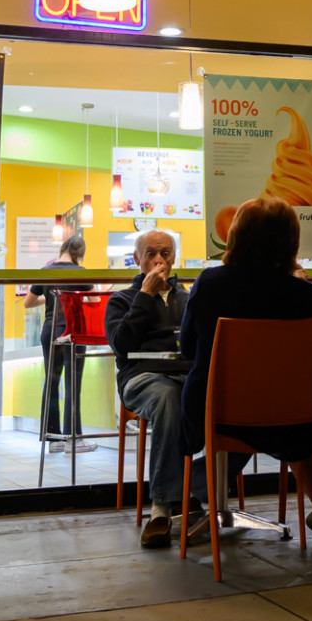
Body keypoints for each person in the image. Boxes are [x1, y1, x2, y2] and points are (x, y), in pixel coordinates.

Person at [179, 195, 312, 553]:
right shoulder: (305, 296)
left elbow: (188, 349)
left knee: (284, 402)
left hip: (220, 416)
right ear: (290, 242)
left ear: (235, 236)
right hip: (293, 418)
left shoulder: (209, 283)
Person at [105, 230, 191, 548]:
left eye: (165, 253)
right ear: (137, 259)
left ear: (174, 257)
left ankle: (198, 489)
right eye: (151, 254)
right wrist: (145, 295)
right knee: (168, 397)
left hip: (185, 375)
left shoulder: (187, 298)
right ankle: (162, 508)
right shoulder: (121, 300)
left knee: (226, 394)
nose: (158, 260)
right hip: (142, 378)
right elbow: (122, 345)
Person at [23, 234, 94, 454]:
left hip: (50, 330)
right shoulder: (80, 272)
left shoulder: (46, 271)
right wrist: (77, 296)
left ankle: (54, 440)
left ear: (62, 249)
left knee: (52, 382)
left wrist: (51, 296)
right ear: (79, 254)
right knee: (73, 384)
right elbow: (94, 300)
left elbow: (28, 302)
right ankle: (74, 440)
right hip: (73, 331)